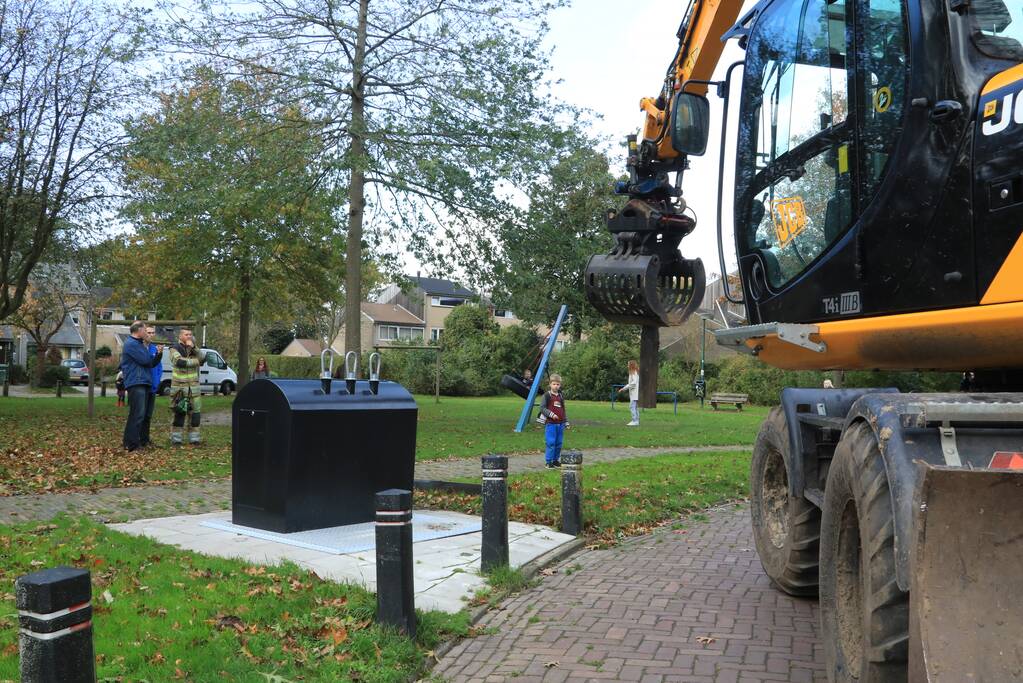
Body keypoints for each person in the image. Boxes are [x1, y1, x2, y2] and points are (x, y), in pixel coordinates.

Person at [120, 320, 163, 452]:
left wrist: (159, 354)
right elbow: (145, 360)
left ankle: (138, 441)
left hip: (143, 382)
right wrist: (151, 353)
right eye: (145, 330)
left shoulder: (138, 344)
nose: (147, 333)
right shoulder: (132, 344)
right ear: (138, 331)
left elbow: (151, 363)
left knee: (142, 414)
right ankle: (132, 444)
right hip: (136, 382)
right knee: (137, 414)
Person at [169, 328, 206, 446]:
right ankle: (176, 440)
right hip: (179, 388)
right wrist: (197, 361)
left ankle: (194, 439)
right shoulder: (174, 348)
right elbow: (179, 362)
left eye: (190, 334)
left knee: (195, 415)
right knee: (179, 414)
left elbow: (203, 358)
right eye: (186, 334)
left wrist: (194, 348)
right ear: (180, 336)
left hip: (194, 388)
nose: (189, 336)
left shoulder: (194, 348)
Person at [539, 374, 569, 469]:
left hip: (560, 424)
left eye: (558, 384)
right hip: (551, 424)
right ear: (550, 384)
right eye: (554, 384)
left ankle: (556, 460)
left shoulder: (560, 396)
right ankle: (549, 462)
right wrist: (551, 414)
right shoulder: (546, 395)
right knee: (551, 443)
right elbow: (542, 408)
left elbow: (563, 409)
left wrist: (566, 421)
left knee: (559, 443)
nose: (556, 386)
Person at [140, 325, 162, 448]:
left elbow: (159, 367)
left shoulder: (155, 349)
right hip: (142, 385)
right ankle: (138, 439)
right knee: (140, 414)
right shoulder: (140, 348)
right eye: (148, 332)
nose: (151, 335)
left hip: (152, 387)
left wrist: (157, 381)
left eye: (153, 332)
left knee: (148, 415)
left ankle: (146, 439)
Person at [617, 360, 640, 426]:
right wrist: (624, 388)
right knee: (635, 407)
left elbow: (634, 383)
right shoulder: (635, 372)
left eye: (628, 364)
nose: (627, 366)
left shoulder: (634, 373)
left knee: (632, 406)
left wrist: (624, 388)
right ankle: (636, 421)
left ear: (631, 365)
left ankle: (634, 421)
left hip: (635, 393)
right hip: (634, 393)